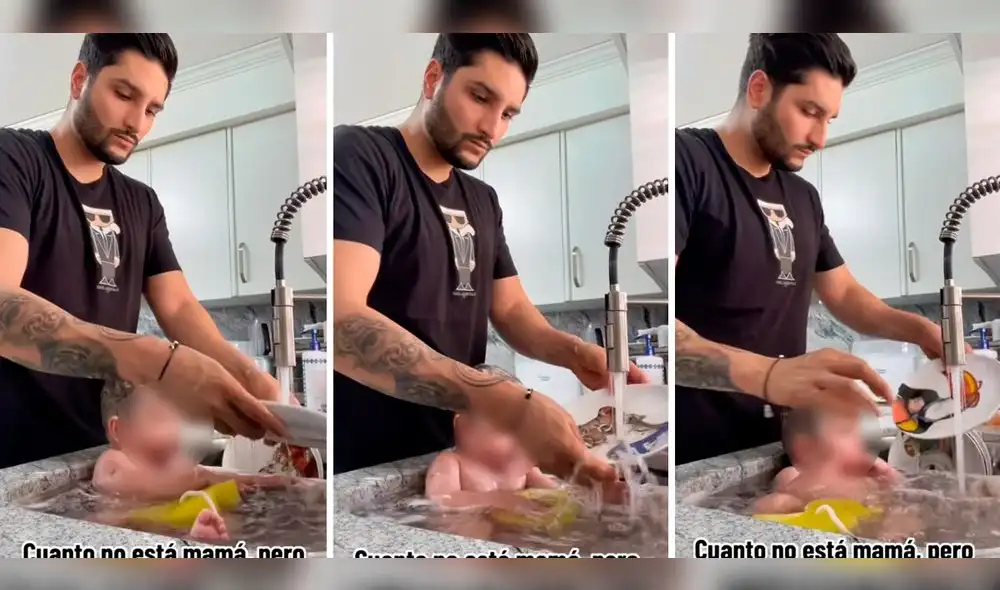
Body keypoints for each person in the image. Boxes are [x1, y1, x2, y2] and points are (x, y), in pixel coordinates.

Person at [332, 33, 645, 484]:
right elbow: (343, 320)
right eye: (481, 98)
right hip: (369, 466)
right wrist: (506, 402)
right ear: (433, 78)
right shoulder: (361, 157)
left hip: (459, 456)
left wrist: (575, 353)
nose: (492, 129)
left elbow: (512, 309)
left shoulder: (483, 199)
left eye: (509, 114)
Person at [0, 34, 286, 469]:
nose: (136, 122)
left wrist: (250, 378)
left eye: (152, 109)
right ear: (79, 80)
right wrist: (157, 361)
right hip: (13, 457)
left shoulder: (142, 202)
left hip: (102, 455)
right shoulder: (14, 159)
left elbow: (179, 307)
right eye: (124, 94)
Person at [674, 34, 949, 464]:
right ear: (759, 89)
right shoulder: (685, 161)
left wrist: (921, 330)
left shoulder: (804, 197)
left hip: (778, 447)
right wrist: (771, 374)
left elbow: (844, 294)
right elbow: (669, 336)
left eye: (830, 119)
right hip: (696, 454)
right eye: (809, 112)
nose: (820, 138)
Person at [91, 383, 291, 543]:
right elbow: (126, 483)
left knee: (223, 519)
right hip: (129, 535)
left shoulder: (176, 464)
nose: (175, 428)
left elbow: (207, 474)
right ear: (118, 430)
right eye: (160, 418)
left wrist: (265, 481)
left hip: (172, 529)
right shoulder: (113, 460)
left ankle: (202, 541)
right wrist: (199, 479)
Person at [751, 408, 900, 515]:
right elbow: (760, 510)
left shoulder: (869, 475)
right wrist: (800, 499)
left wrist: (889, 478)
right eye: (846, 431)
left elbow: (897, 497)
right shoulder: (793, 479)